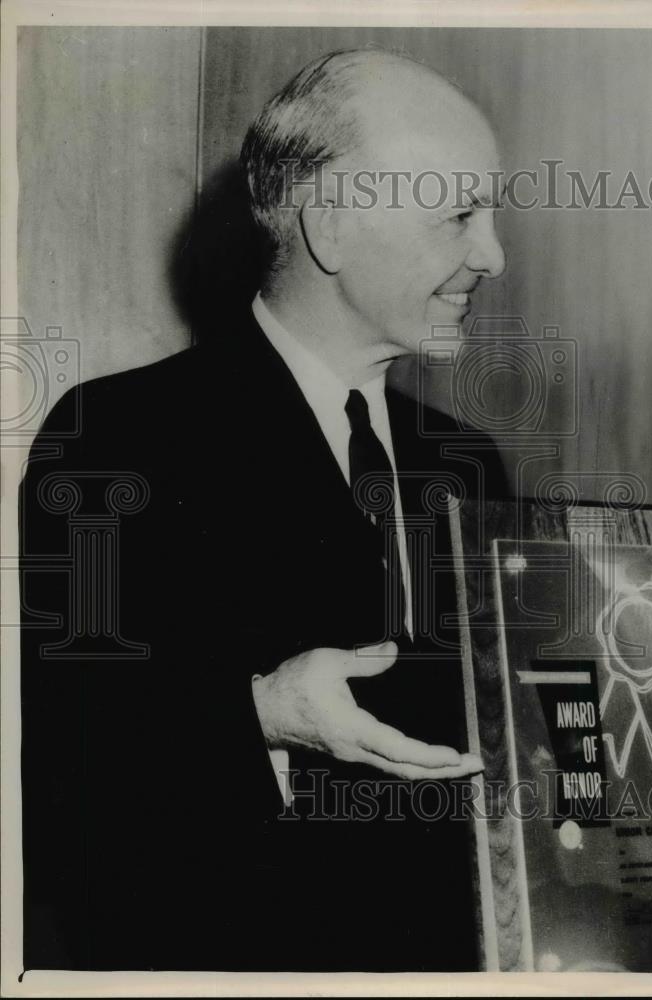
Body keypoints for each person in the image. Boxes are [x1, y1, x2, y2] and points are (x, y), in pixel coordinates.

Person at [20, 48, 508, 972]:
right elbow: (56, 761)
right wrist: (263, 713)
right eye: (458, 216)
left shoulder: (467, 464)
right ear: (330, 225)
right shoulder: (115, 437)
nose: (492, 254)